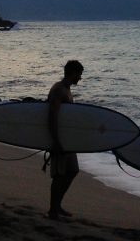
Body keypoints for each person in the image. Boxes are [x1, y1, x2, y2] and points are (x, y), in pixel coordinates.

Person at [48, 59, 83, 219]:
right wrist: (55, 141)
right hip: (59, 139)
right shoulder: (59, 90)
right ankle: (53, 210)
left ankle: (57, 205)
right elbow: (53, 117)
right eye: (79, 74)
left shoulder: (67, 89)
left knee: (72, 170)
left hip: (68, 140)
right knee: (59, 175)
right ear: (72, 73)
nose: (80, 78)